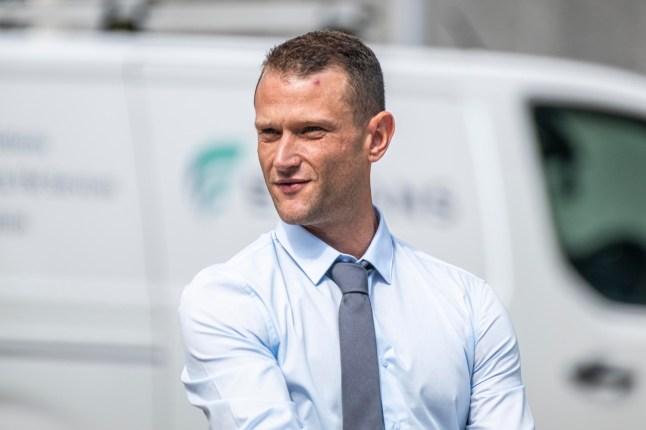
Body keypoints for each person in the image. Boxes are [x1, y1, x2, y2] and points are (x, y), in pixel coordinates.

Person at [178, 30, 535, 430]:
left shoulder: (469, 306)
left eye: (311, 131)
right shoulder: (227, 300)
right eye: (269, 133)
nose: (282, 159)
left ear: (377, 138)